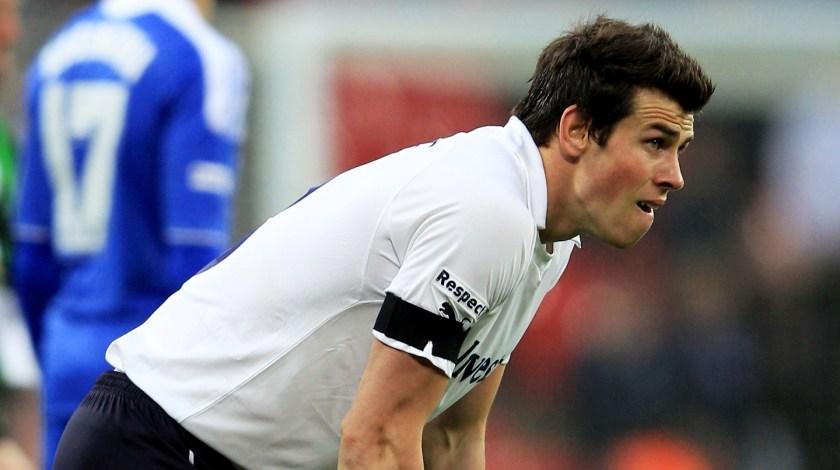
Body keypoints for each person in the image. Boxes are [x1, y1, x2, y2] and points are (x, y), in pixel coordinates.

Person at [55, 15, 714, 469]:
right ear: (575, 130)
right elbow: (373, 440)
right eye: (655, 142)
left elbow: (452, 436)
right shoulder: (489, 214)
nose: (675, 175)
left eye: (679, 150)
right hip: (153, 446)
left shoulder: (546, 232)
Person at [13, 0, 249, 467]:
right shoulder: (199, 54)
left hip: (67, 347)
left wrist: (60, 350)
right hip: (154, 368)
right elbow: (195, 257)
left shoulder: (54, 55)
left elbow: (33, 255)